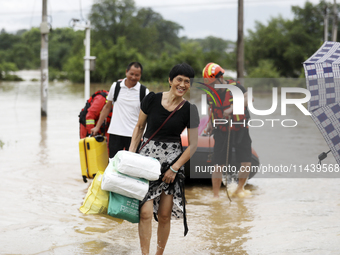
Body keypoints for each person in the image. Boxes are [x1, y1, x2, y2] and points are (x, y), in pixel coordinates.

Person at [128, 63, 199, 255]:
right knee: (144, 213)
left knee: (164, 215)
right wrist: (131, 158)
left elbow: (193, 144)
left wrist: (175, 168)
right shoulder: (151, 99)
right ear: (170, 80)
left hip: (171, 167)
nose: (183, 84)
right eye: (179, 79)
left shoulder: (190, 110)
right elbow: (139, 128)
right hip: (146, 164)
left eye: (187, 81)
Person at [202, 62, 252, 198]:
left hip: (240, 128)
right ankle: (216, 196)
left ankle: (240, 189)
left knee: (246, 162)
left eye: (213, 84)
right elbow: (211, 108)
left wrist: (233, 108)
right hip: (221, 130)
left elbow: (249, 97)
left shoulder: (236, 88)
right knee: (218, 164)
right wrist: (210, 123)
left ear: (220, 78)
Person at [91, 62, 149, 158]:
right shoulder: (116, 86)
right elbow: (107, 107)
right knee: (113, 163)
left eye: (137, 75)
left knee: (133, 163)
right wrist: (97, 127)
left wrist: (145, 134)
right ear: (126, 72)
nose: (133, 77)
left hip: (134, 135)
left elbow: (147, 115)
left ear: (140, 75)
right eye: (131, 74)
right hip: (115, 132)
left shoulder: (144, 91)